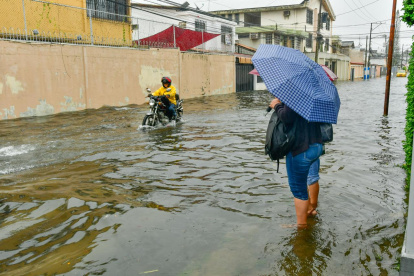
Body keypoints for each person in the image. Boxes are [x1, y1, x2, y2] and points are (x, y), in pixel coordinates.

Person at [269, 97, 323, 227]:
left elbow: (288, 117)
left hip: (301, 148)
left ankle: (301, 227)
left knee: (298, 190)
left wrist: (276, 105)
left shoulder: (294, 92)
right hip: (316, 144)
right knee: (312, 177)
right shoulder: (314, 91)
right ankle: (311, 209)